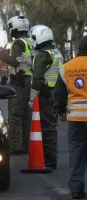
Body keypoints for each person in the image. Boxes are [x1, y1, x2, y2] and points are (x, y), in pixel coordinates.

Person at [0, 16, 35, 155]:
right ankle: (27, 145)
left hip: (19, 82)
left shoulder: (18, 43)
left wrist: (0, 55)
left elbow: (15, 61)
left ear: (15, 28)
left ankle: (16, 146)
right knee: (27, 115)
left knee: (16, 115)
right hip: (29, 80)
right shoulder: (30, 41)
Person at [54, 35, 87, 199]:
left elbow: (59, 94)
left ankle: (76, 189)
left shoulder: (66, 67)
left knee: (76, 153)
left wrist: (60, 111)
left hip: (76, 119)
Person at [27, 25, 63, 169]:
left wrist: (31, 98)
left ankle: (49, 158)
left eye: (33, 37)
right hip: (55, 93)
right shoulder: (56, 52)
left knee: (47, 127)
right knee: (51, 126)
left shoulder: (42, 54)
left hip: (45, 95)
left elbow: (36, 79)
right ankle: (51, 156)